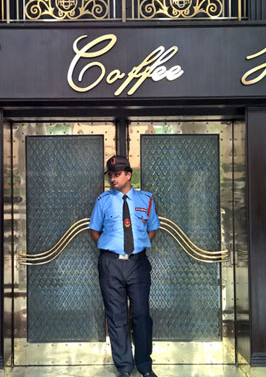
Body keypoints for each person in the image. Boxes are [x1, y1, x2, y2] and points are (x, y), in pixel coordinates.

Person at [89, 155, 160, 377]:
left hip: (137, 264)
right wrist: (111, 248)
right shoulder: (103, 200)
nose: (113, 179)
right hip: (110, 264)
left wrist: (136, 247)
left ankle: (144, 365)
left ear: (128, 175)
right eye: (110, 175)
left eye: (117, 174)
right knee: (116, 316)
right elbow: (94, 230)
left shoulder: (146, 199)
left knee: (141, 314)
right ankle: (124, 367)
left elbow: (152, 229)